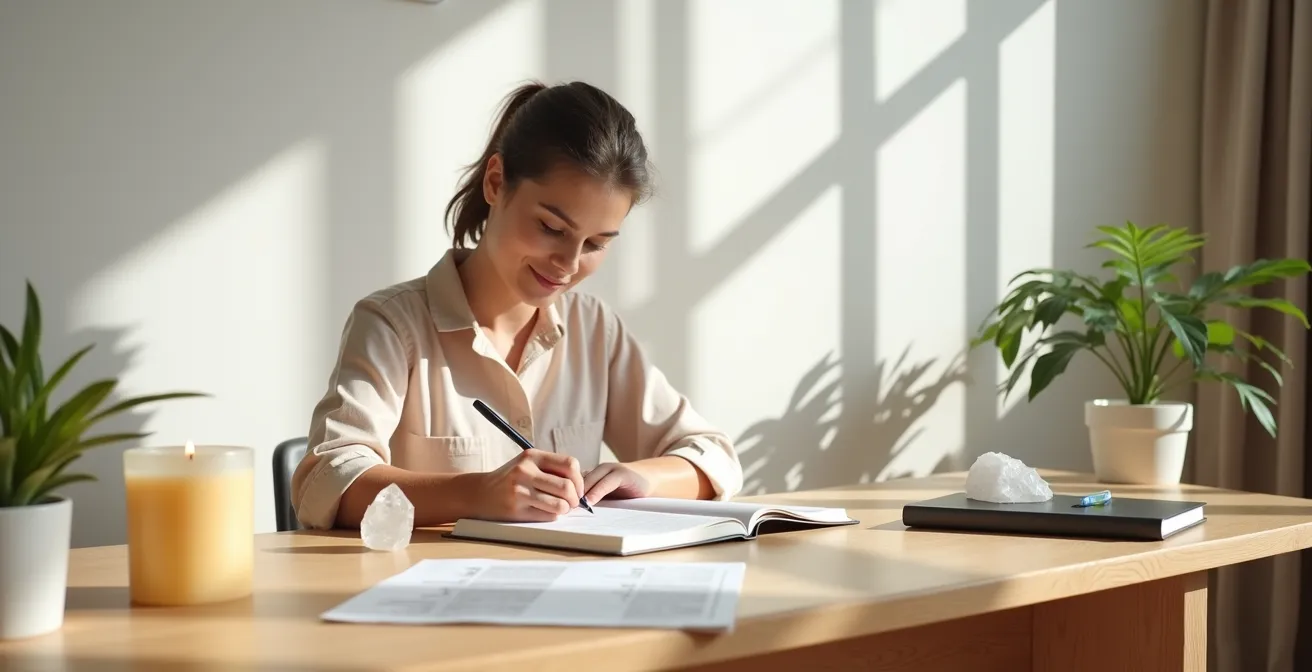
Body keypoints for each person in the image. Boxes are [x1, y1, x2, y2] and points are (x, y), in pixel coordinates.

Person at [290, 80, 744, 530]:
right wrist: (476, 493)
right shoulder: (392, 325)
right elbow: (325, 483)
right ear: (495, 182)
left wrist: (641, 477)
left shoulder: (594, 330)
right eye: (551, 227)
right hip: (430, 594)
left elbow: (713, 456)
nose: (568, 264)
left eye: (596, 244)